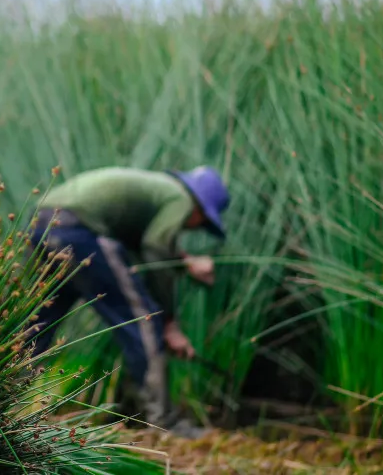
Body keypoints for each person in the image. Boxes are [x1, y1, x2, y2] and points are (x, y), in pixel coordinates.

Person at [24, 165, 230, 440]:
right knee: (143, 318)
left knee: (38, 321)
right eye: (201, 223)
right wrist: (169, 322)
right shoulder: (181, 198)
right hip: (80, 230)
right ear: (199, 210)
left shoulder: (159, 187)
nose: (194, 227)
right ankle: (165, 424)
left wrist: (185, 261)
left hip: (43, 223)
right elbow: (156, 248)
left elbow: (142, 239)